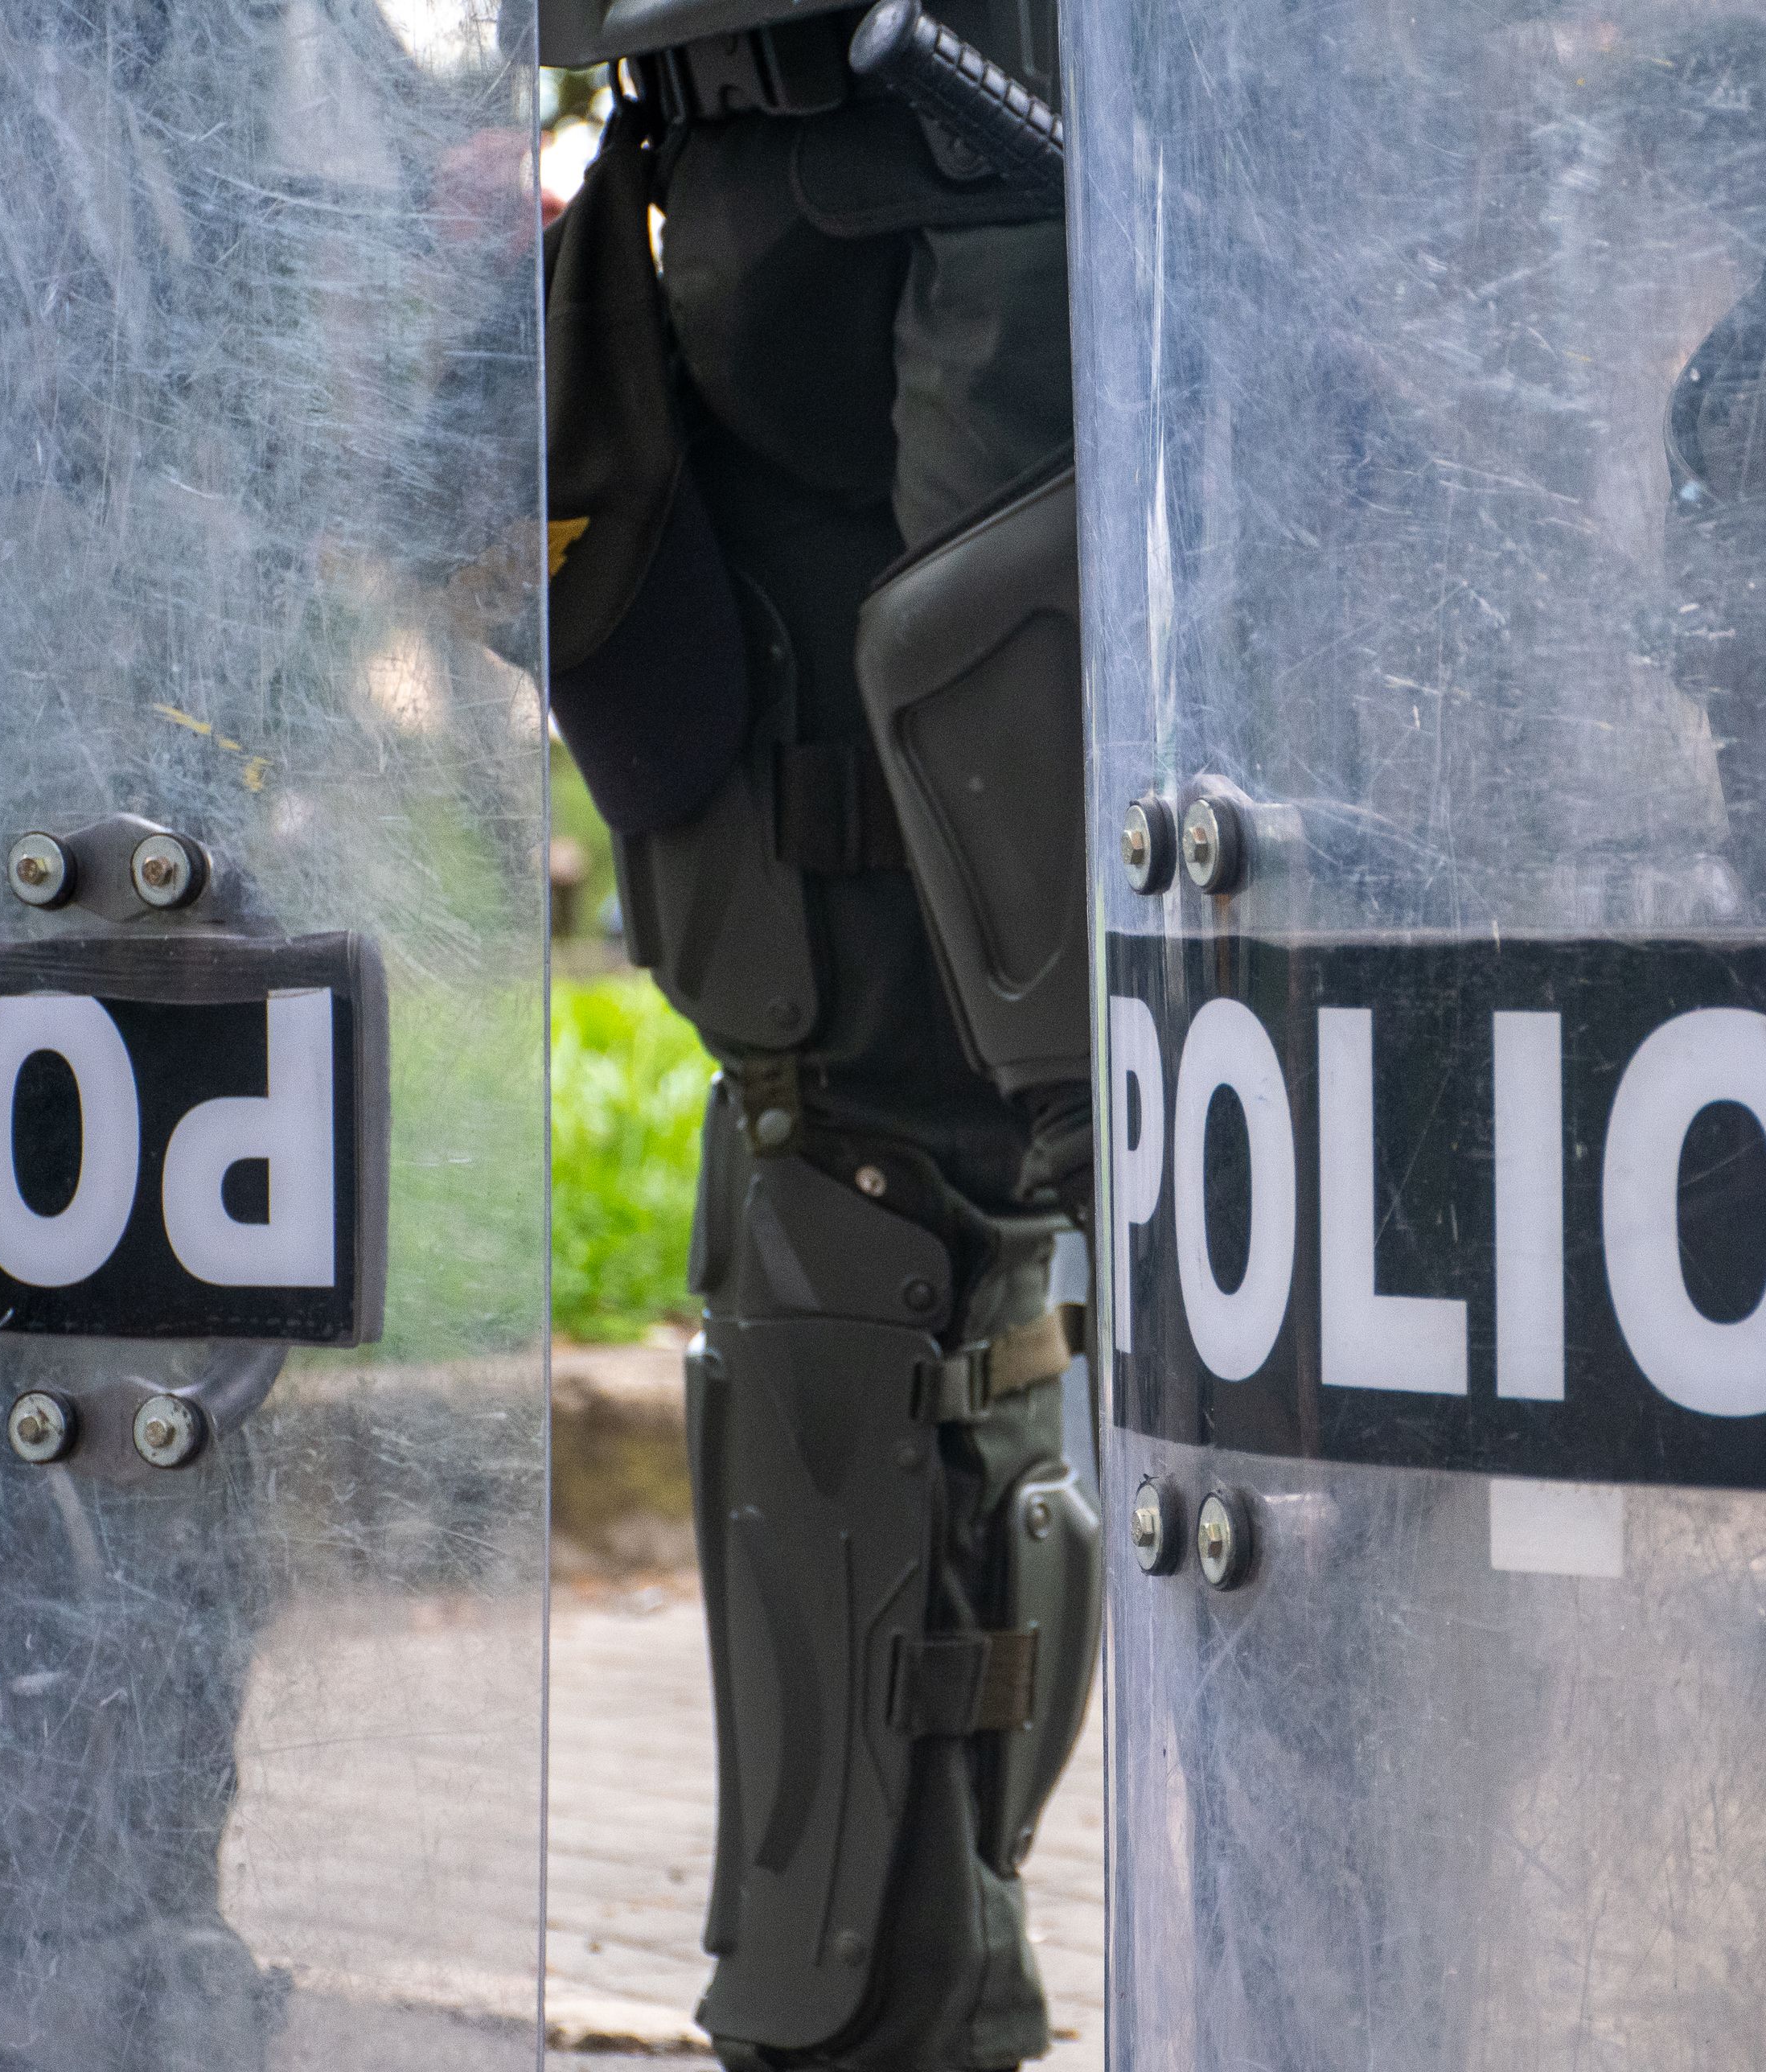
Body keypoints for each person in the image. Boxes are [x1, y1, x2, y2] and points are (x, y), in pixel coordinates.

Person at [540, 5, 1097, 2065]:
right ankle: (871, 2008)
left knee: (984, 1090)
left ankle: (896, 2001)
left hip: (1006, 124)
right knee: (825, 1092)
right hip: (715, 164)